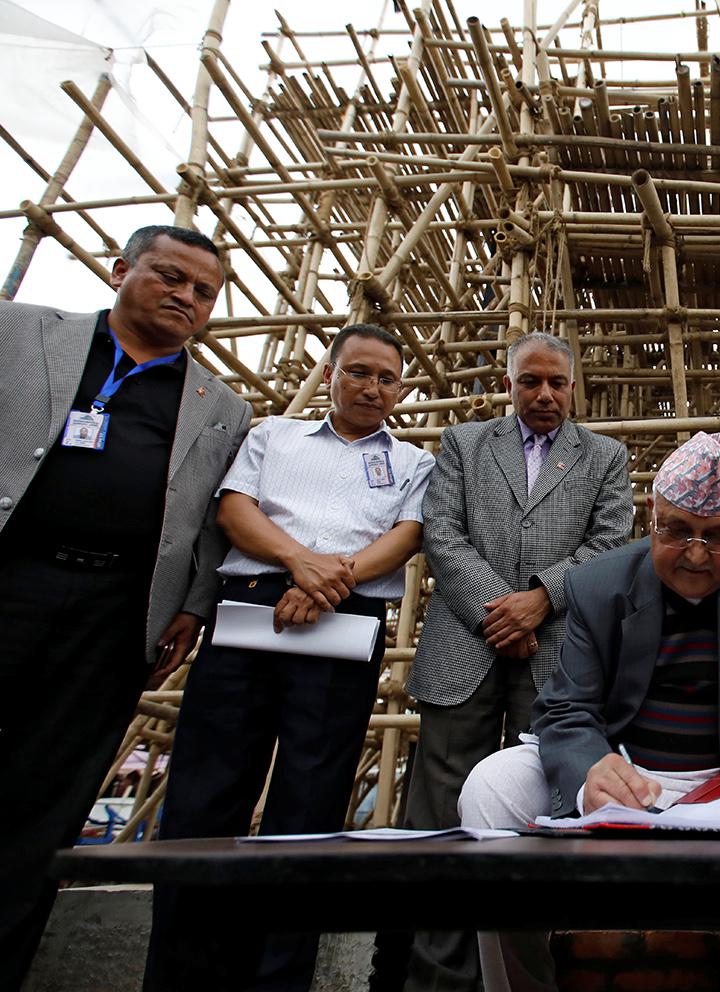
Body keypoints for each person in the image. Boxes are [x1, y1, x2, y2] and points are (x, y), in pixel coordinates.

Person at [458, 430, 720, 992]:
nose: (697, 554)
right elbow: (563, 707)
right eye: (677, 531)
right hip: (624, 779)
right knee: (490, 786)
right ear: (652, 517)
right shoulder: (599, 583)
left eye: (718, 537)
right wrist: (588, 774)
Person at [141, 323, 436, 991]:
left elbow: (407, 536)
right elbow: (234, 510)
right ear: (329, 373)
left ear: (402, 388)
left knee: (310, 809)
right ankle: (180, 977)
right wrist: (300, 564)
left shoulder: (415, 462)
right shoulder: (272, 434)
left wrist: (330, 582)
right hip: (249, 607)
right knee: (203, 799)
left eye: (387, 378)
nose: (372, 387)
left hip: (346, 616)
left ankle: (277, 981)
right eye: (358, 372)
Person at [0, 225, 251, 991]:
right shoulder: (19, 332)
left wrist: (195, 603)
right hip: (13, 577)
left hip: (115, 610)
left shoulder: (219, 405)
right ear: (120, 269)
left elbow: (214, 514)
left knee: (52, 793)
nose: (186, 298)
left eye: (203, 292)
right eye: (169, 277)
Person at [386, 332, 633, 991]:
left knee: (540, 810)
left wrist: (539, 603)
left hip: (555, 655)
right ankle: (437, 977)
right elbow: (441, 533)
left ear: (574, 388)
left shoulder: (605, 456)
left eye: (556, 383)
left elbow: (609, 545)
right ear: (510, 384)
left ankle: (525, 974)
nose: (544, 394)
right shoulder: (465, 444)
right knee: (440, 814)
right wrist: (505, 611)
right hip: (465, 644)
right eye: (530, 381)